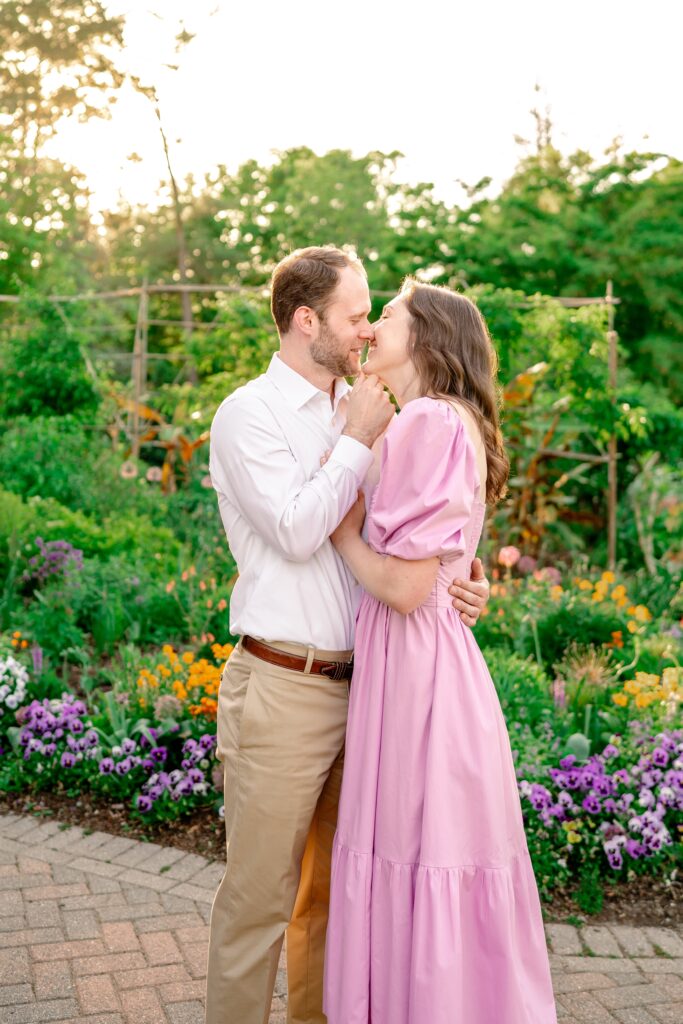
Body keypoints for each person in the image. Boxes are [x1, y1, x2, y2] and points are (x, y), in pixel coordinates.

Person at [205, 247, 490, 1024]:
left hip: (372, 692)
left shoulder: (369, 409)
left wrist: (463, 575)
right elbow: (301, 531)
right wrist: (357, 439)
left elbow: (415, 533)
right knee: (258, 905)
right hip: (284, 689)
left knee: (332, 905)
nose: (367, 332)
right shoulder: (249, 416)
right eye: (355, 316)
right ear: (307, 321)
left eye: (374, 316)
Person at [323, 279, 557, 1024]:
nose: (372, 326)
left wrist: (343, 533)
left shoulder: (427, 419)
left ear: (423, 338)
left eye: (386, 315)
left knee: (411, 845)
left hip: (414, 672)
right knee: (437, 847)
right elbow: (442, 560)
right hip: (435, 664)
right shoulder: (441, 419)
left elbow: (400, 585)